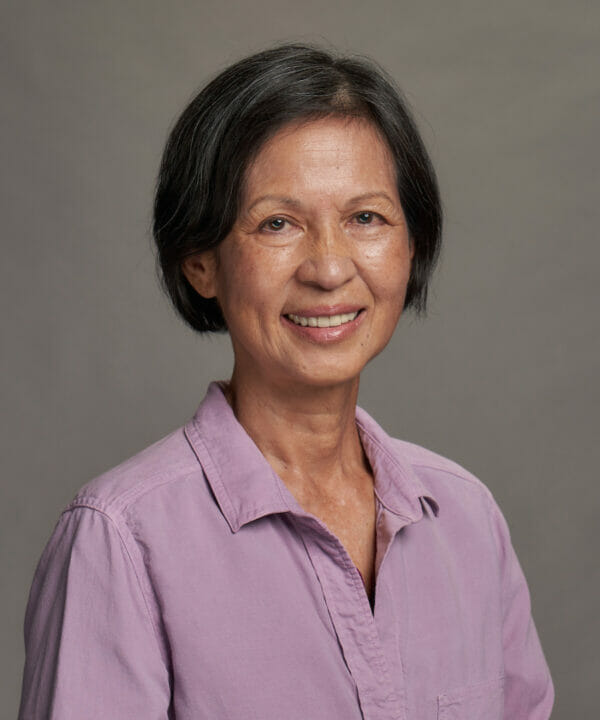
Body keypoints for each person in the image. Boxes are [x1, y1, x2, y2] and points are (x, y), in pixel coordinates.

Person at [18, 44, 554, 719]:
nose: (329, 269)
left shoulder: (468, 521)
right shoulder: (120, 540)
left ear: (411, 245)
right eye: (278, 223)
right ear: (200, 262)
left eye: (365, 218)